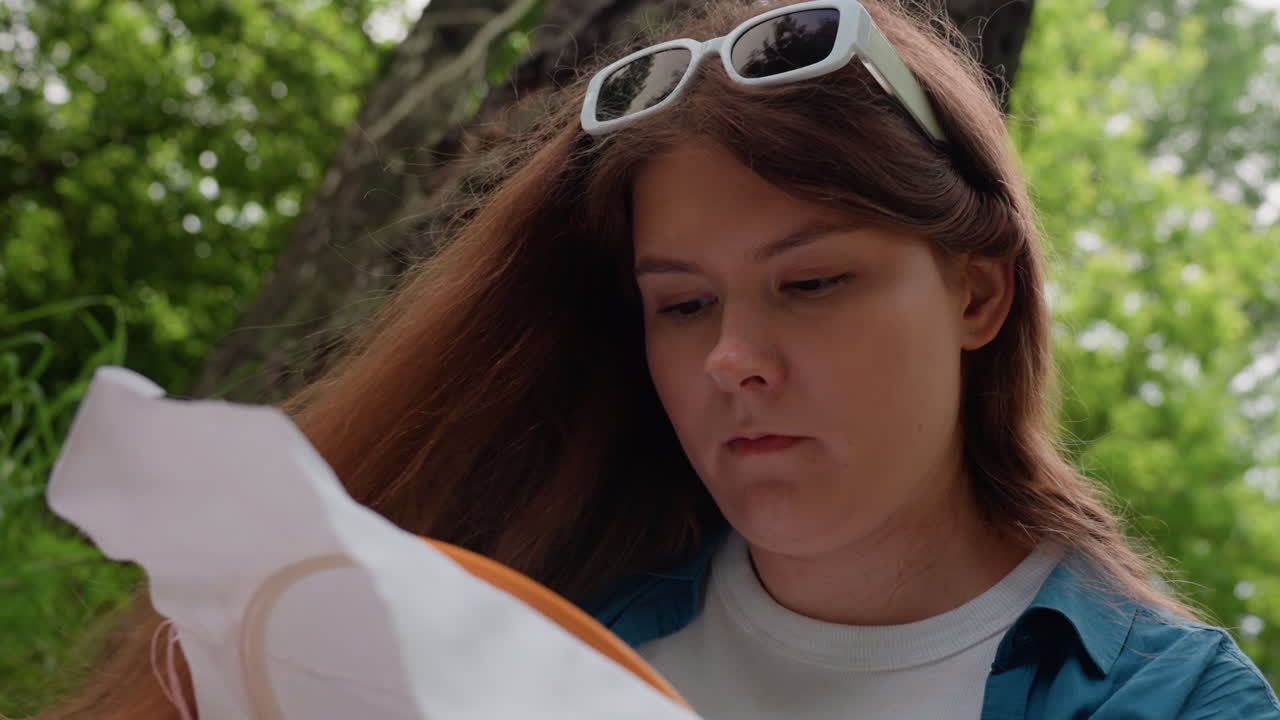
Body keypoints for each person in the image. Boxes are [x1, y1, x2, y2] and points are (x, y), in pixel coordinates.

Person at [40, 0, 1279, 718]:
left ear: (978, 291)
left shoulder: (1169, 705)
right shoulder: (512, 645)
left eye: (810, 283)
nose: (732, 358)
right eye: (679, 306)